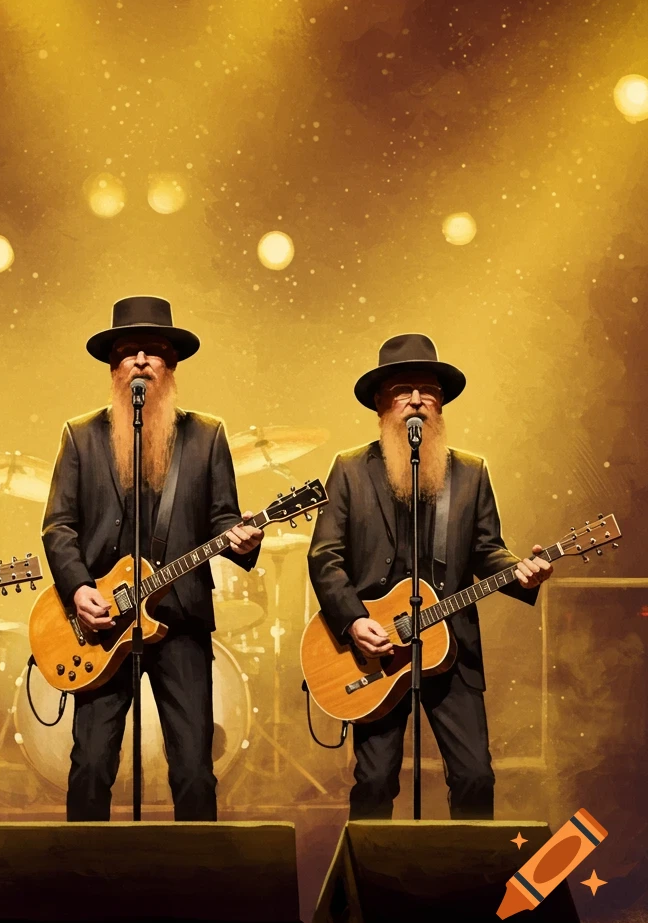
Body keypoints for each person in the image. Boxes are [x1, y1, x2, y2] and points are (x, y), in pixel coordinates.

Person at [307, 333, 552, 819]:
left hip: (451, 646)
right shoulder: (350, 470)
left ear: (440, 403)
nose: (417, 399)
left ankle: (468, 890)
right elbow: (325, 556)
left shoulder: (470, 472)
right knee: (375, 781)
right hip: (374, 652)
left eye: (428, 390)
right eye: (403, 390)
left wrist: (519, 572)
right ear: (381, 403)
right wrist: (355, 621)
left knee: (475, 776)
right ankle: (368, 889)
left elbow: (488, 550)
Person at [42, 296, 263, 821]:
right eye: (129, 352)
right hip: (100, 625)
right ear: (114, 368)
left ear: (171, 366)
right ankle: (83, 881)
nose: (141, 361)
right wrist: (78, 591)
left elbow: (223, 518)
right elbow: (59, 526)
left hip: (181, 618)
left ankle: (197, 886)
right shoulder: (81, 435)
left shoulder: (206, 436)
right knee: (92, 762)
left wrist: (243, 539)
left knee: (192, 765)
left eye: (154, 352)